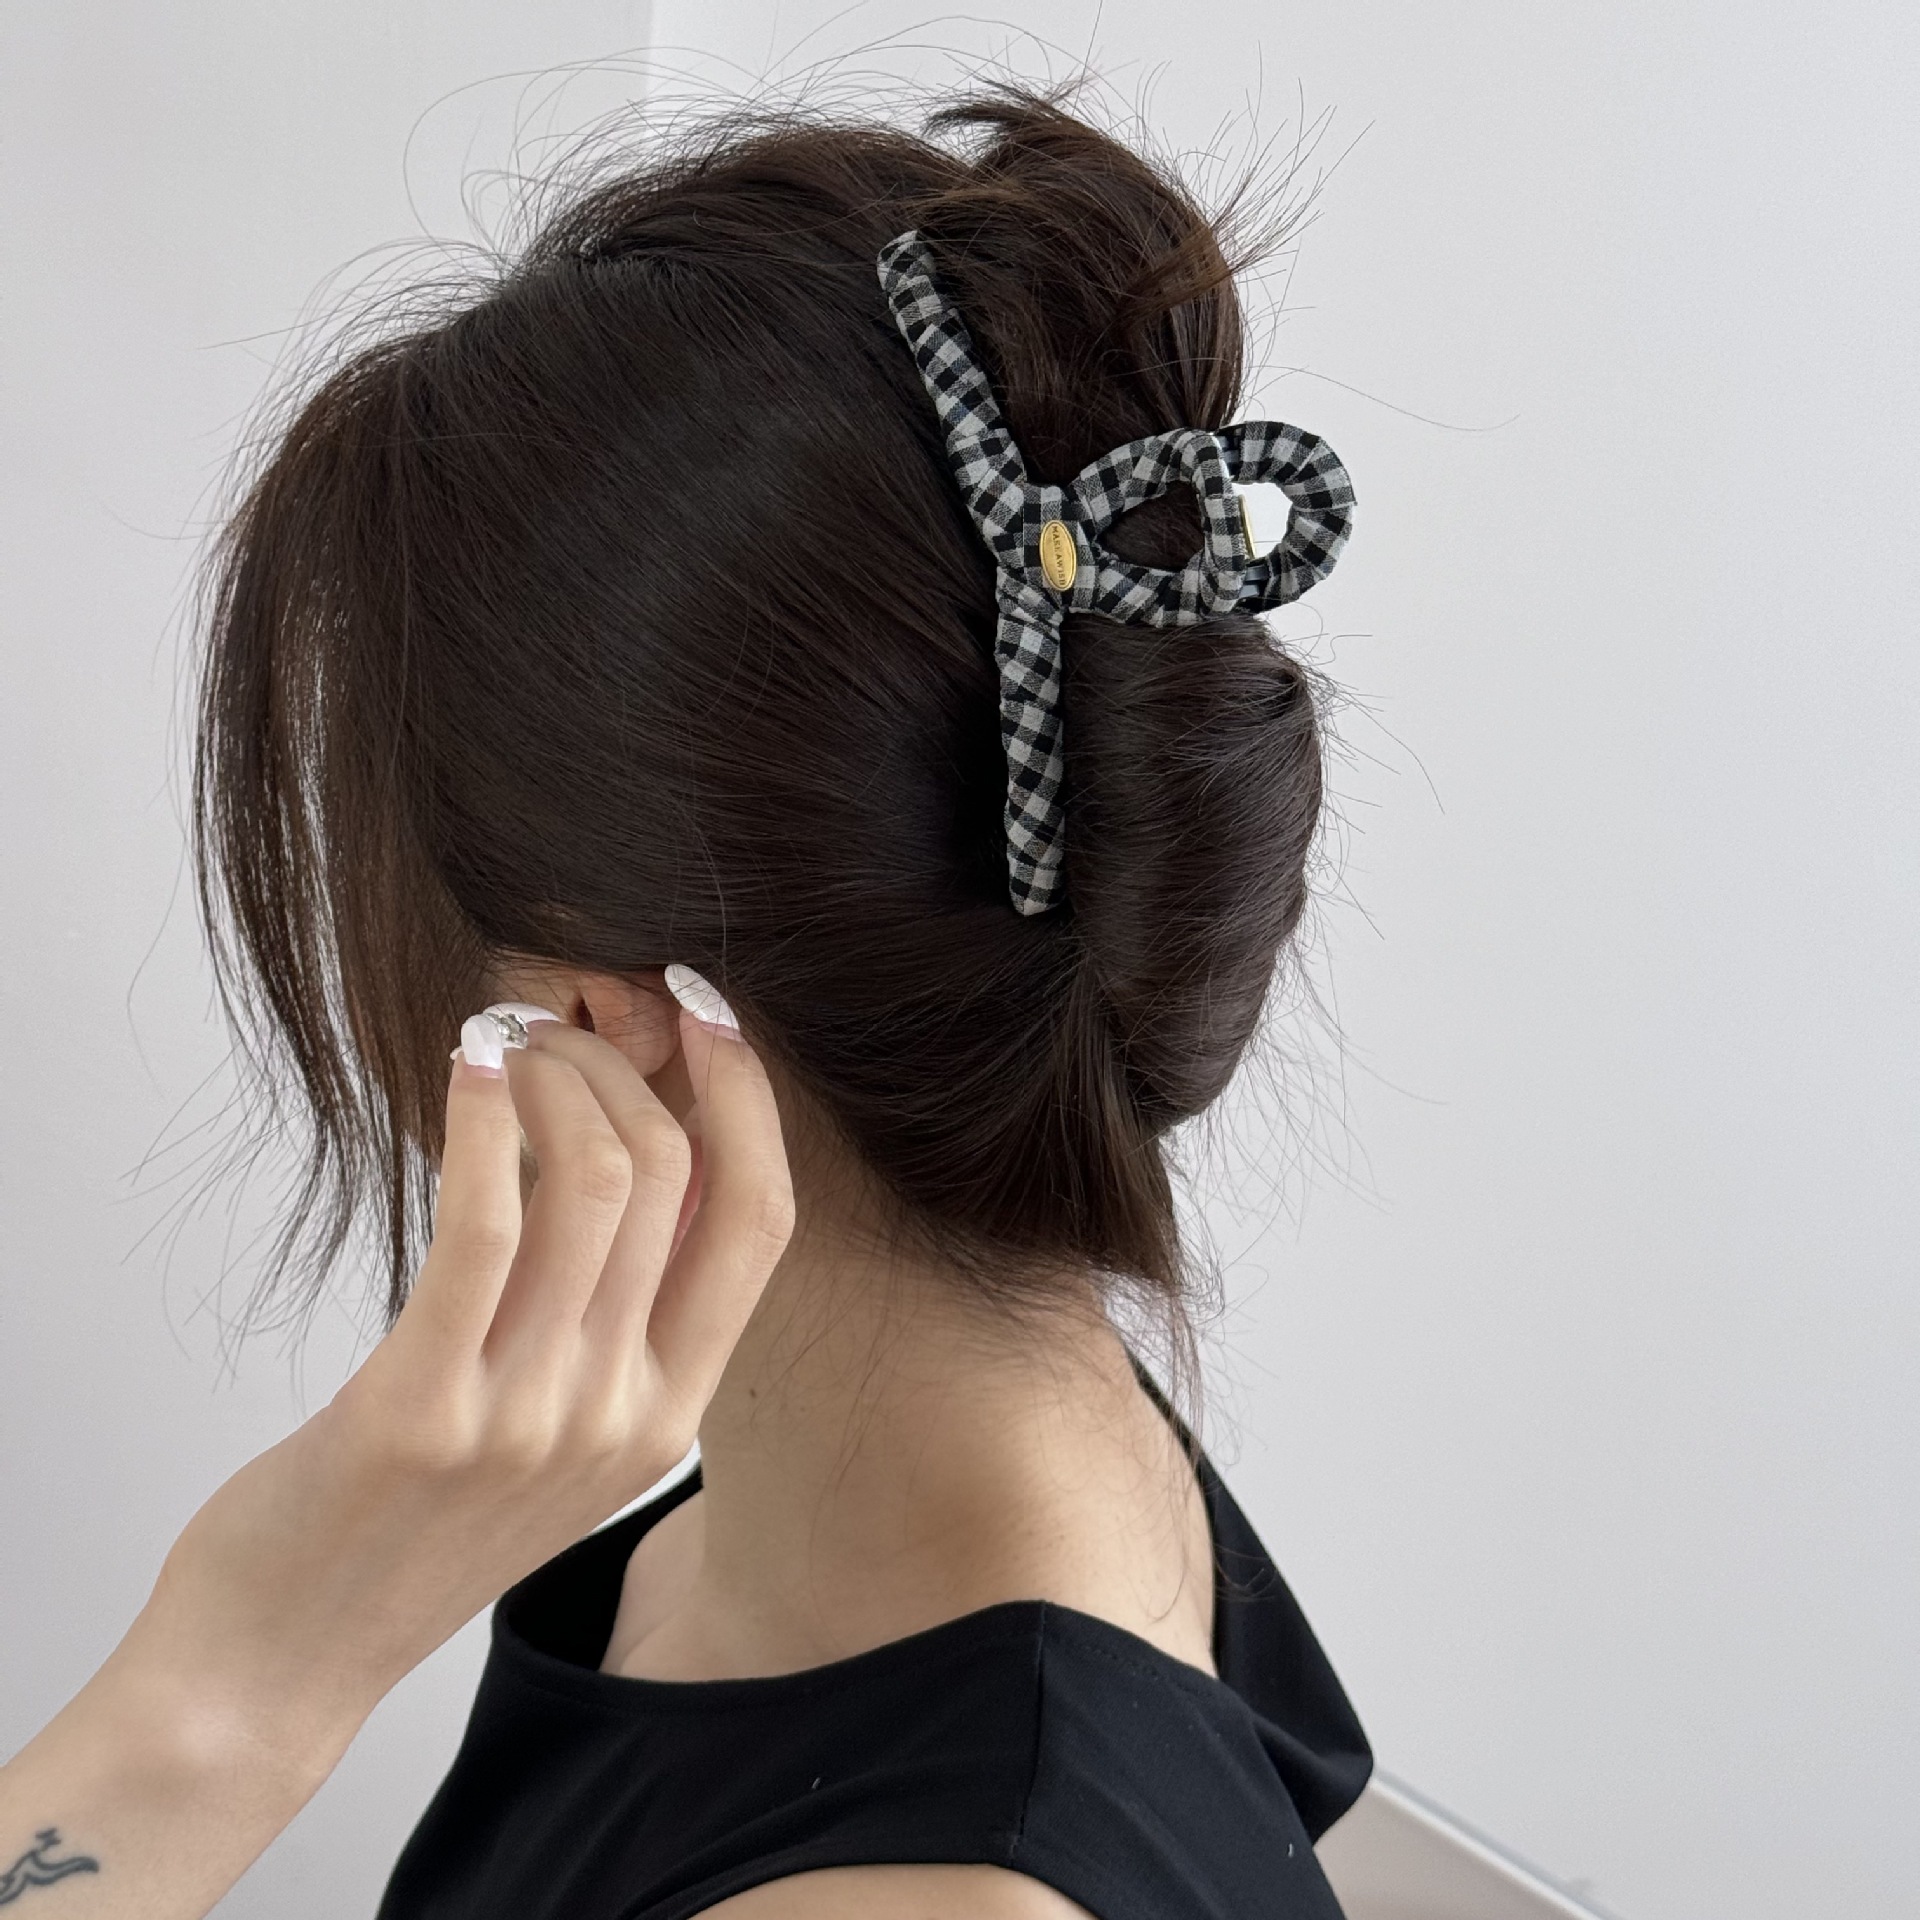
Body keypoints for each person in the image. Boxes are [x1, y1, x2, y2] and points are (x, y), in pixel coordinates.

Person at [0, 83, 1372, 1919]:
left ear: (609, 1031)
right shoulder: (1003, 1475)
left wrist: (243, 1674)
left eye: (380, 887)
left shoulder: (918, 1894)